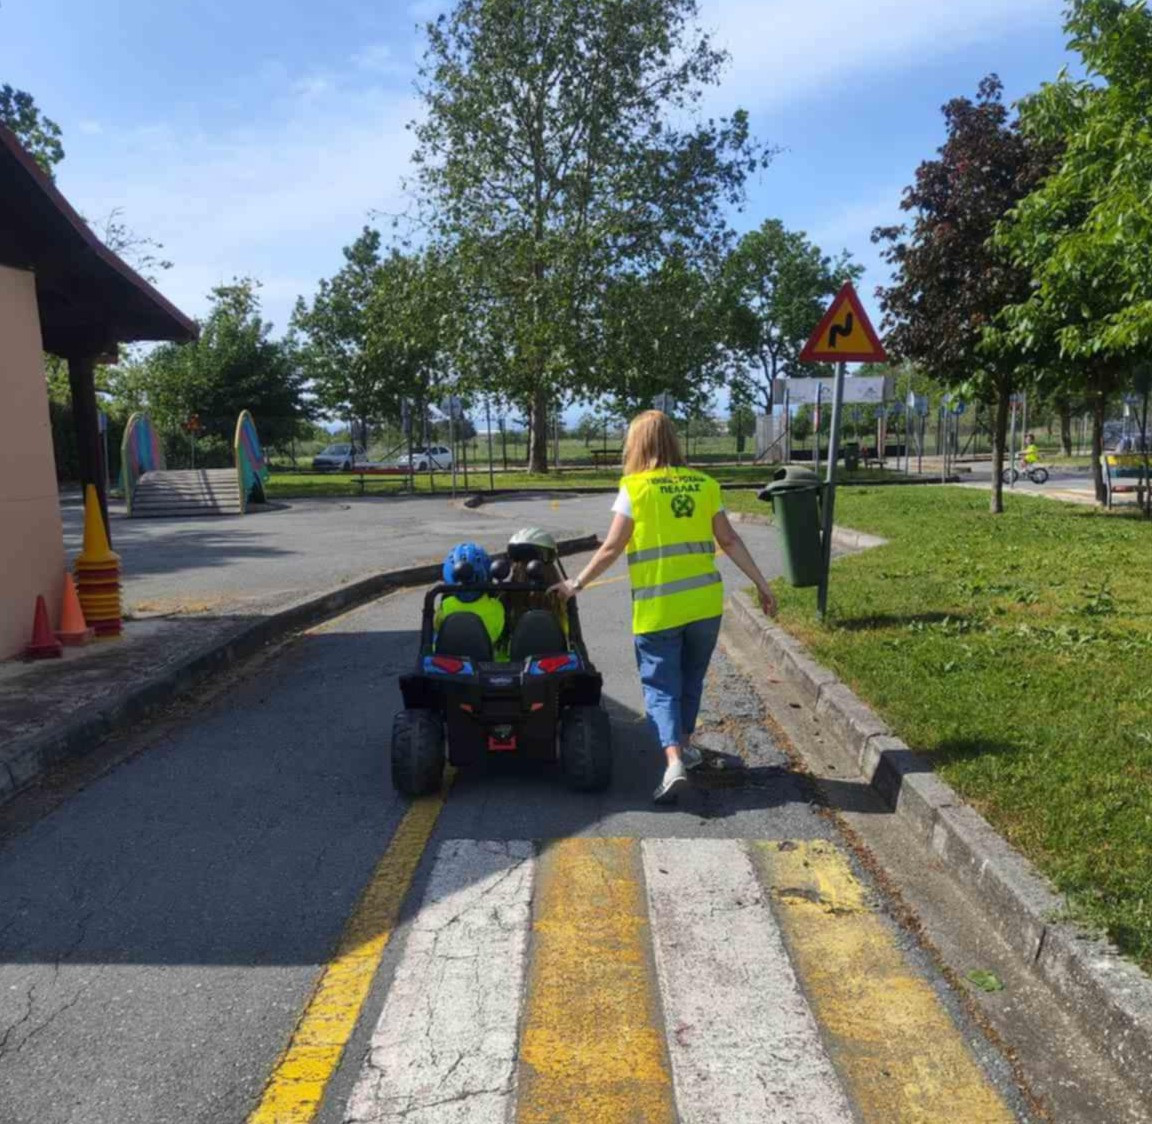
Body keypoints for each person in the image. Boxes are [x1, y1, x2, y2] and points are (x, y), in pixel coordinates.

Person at [551, 410, 777, 803]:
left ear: (636, 444)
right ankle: (685, 746)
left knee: (660, 687)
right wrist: (761, 584)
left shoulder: (635, 488)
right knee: (690, 681)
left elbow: (611, 547)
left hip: (658, 609)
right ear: (673, 440)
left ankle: (673, 762)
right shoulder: (705, 484)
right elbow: (729, 540)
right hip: (704, 605)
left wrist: (576, 583)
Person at [434, 542, 506, 648]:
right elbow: (497, 634)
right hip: (486, 660)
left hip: (448, 659)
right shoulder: (497, 607)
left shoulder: (445, 606)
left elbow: (437, 627)